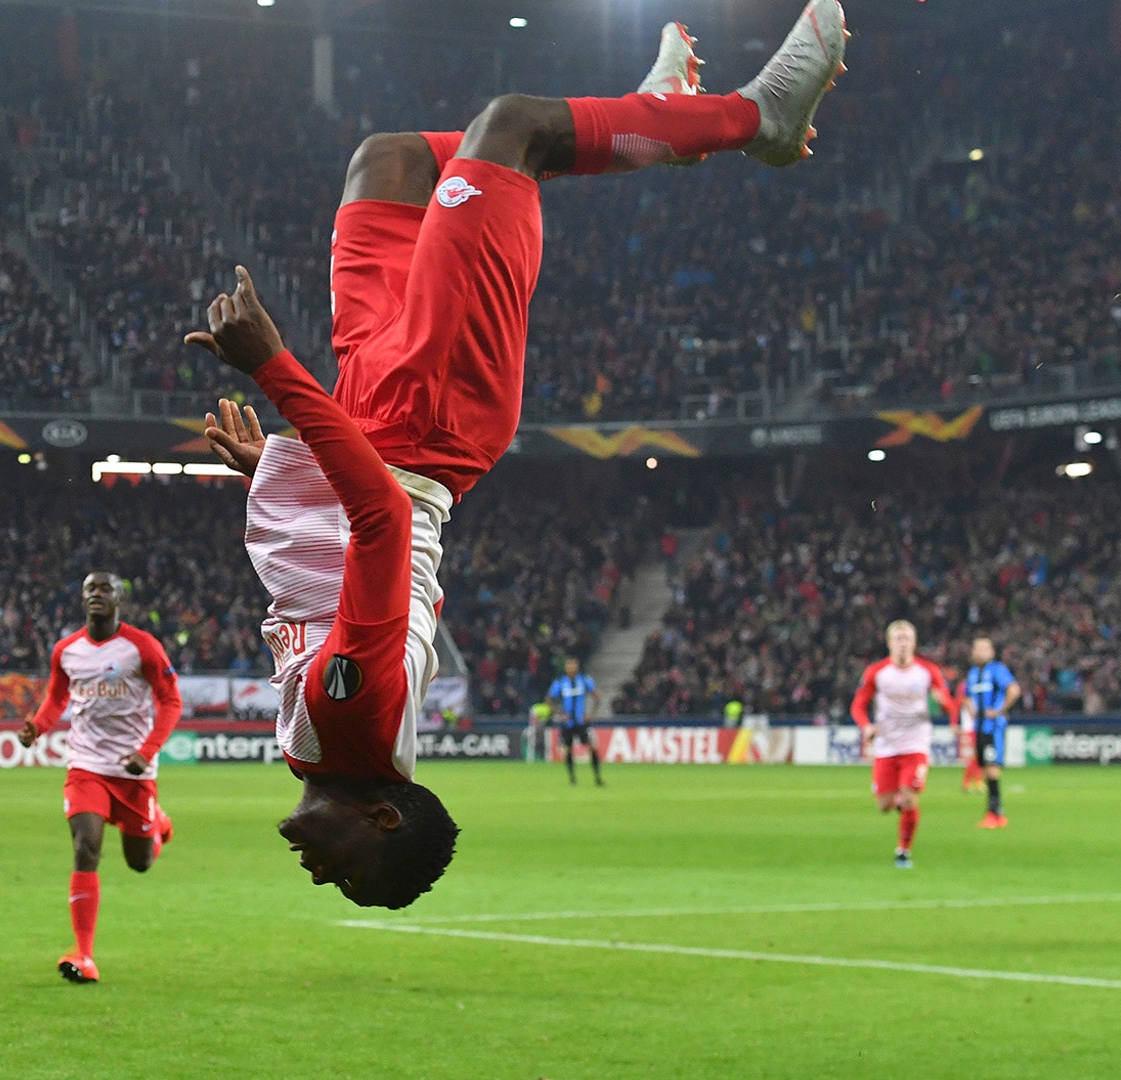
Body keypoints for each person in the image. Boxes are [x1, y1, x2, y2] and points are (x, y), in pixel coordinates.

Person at [190, 4, 847, 908]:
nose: (317, 872)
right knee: (514, 127)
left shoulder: (312, 747)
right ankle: (750, 121)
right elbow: (382, 518)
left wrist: (277, 467)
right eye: (345, 871)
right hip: (430, 411)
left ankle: (651, 127)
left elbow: (321, 571)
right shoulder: (355, 717)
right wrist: (273, 367)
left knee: (389, 160)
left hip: (371, 405)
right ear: (382, 819)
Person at [20, 572, 182, 985]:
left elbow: (170, 700)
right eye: (90, 588)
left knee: (140, 862)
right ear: (82, 598)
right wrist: (37, 726)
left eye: (104, 589)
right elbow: (57, 696)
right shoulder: (67, 650)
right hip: (86, 765)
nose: (96, 594)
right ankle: (84, 955)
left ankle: (157, 823)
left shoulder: (141, 646)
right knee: (85, 847)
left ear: (118, 600)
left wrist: (145, 752)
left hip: (133, 770)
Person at [849, 621, 957, 869]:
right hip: (887, 745)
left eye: (907, 638)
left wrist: (944, 704)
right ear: (889, 643)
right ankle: (900, 804)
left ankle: (903, 851)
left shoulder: (928, 671)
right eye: (898, 638)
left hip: (916, 744)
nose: (903, 642)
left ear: (914, 643)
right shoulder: (877, 672)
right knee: (884, 806)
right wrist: (866, 726)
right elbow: (858, 705)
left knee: (909, 798)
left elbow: (950, 705)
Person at [960, 637, 1020, 829]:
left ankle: (995, 814)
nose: (981, 652)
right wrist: (970, 707)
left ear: (992, 652)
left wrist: (1000, 710)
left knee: (992, 768)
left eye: (985, 649)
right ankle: (993, 812)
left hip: (992, 728)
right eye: (977, 648)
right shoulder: (972, 674)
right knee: (986, 769)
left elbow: (1014, 689)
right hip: (978, 727)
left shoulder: (997, 670)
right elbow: (967, 696)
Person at [547, 658, 603, 787]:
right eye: (569, 666)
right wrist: (559, 714)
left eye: (573, 665)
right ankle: (572, 779)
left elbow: (598, 697)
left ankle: (597, 778)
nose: (571, 668)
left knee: (592, 748)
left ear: (577, 667)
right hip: (567, 724)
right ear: (566, 668)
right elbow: (549, 699)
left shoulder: (584, 680)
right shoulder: (560, 683)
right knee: (567, 750)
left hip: (581, 722)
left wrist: (592, 714)